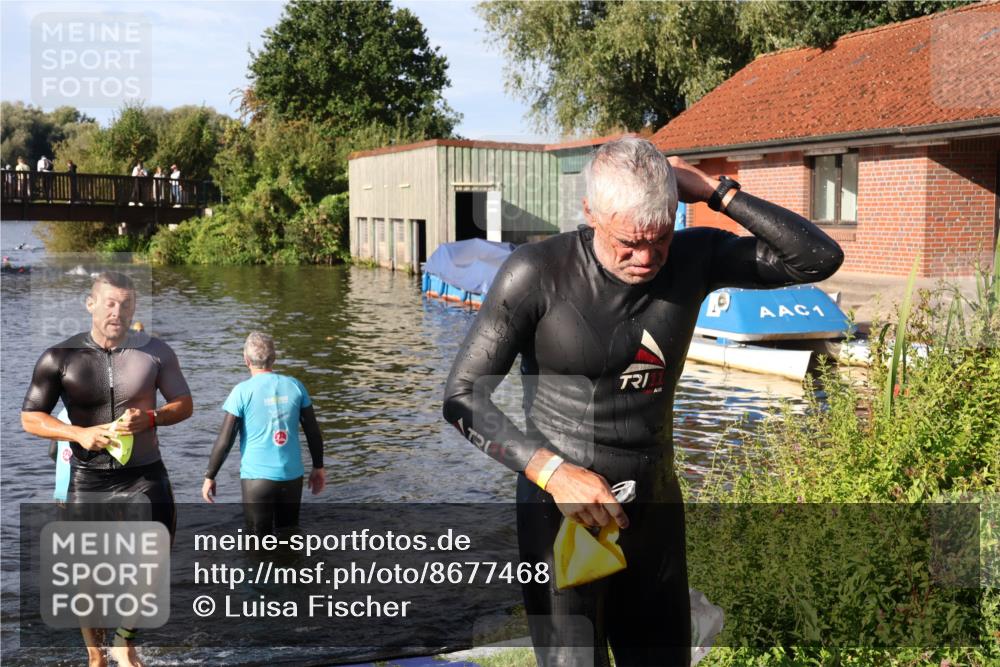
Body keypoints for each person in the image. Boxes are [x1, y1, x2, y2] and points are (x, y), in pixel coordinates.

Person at [442, 136, 843, 667]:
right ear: (590, 213)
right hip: (559, 512)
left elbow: (817, 259)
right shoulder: (536, 272)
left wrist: (715, 192)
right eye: (628, 242)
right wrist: (553, 472)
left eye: (659, 240)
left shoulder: (694, 257)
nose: (646, 258)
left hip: (654, 509)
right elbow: (463, 396)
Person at [21, 271, 193, 667]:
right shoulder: (59, 357)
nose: (118, 311)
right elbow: (30, 418)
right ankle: (95, 654)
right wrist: (77, 434)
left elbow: (184, 404)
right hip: (88, 475)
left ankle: (124, 640)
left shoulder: (156, 352)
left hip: (144, 472)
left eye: (127, 304)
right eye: (111, 303)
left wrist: (151, 417)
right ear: (91, 303)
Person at [202, 332, 326, 535]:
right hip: (291, 477)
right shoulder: (295, 386)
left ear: (246, 360)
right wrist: (318, 467)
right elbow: (313, 432)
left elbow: (226, 440)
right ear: (274, 358)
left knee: (257, 545)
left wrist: (210, 476)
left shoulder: (241, 392)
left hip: (256, 479)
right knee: (289, 537)